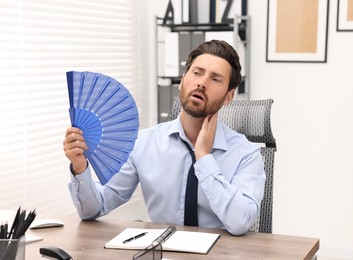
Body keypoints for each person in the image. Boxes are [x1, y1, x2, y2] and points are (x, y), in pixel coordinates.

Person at [63, 40, 266, 236]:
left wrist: (203, 157)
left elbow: (240, 223)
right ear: (182, 80)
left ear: (229, 96)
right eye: (197, 73)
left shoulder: (246, 154)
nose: (202, 83)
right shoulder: (144, 143)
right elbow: (94, 209)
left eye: (215, 79)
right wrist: (80, 166)